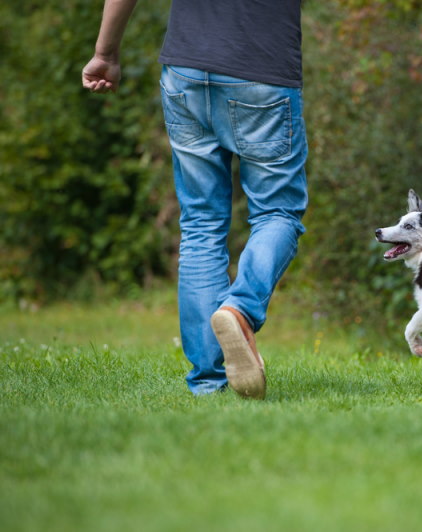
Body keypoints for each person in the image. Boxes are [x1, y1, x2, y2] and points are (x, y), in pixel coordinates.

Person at [82, 0, 308, 399]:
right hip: (262, 71)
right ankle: (240, 308)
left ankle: (207, 383)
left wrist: (105, 53)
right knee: (278, 212)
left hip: (186, 68)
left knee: (201, 224)